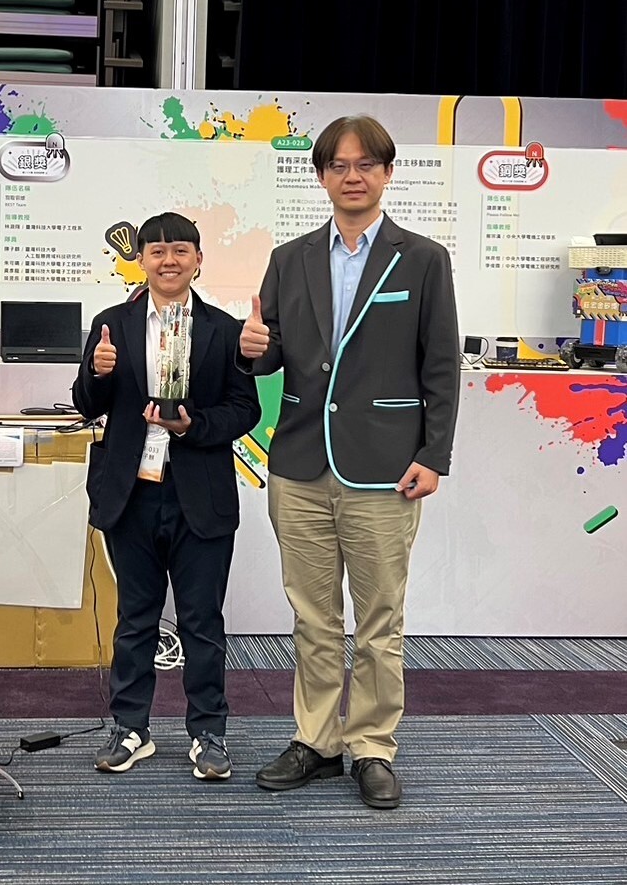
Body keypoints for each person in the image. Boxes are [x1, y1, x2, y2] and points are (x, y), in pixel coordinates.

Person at [238, 114, 460, 809]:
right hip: (299, 462)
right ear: (321, 176)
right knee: (311, 615)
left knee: (377, 619)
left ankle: (370, 744)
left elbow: (441, 364)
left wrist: (434, 454)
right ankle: (316, 739)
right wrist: (253, 344)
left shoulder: (421, 258)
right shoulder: (290, 257)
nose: (353, 175)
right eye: (339, 165)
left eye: (366, 164)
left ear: (387, 173)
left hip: (385, 466)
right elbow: (274, 352)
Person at [73, 212, 261, 780]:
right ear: (142, 260)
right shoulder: (112, 323)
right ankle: (130, 727)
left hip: (198, 493)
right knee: (136, 618)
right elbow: (86, 403)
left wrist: (192, 427)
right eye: (156, 251)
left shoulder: (225, 330)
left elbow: (245, 409)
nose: (168, 260)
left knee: (203, 621)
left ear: (199, 259)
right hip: (130, 493)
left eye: (180, 250)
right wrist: (100, 373)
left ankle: (208, 732)